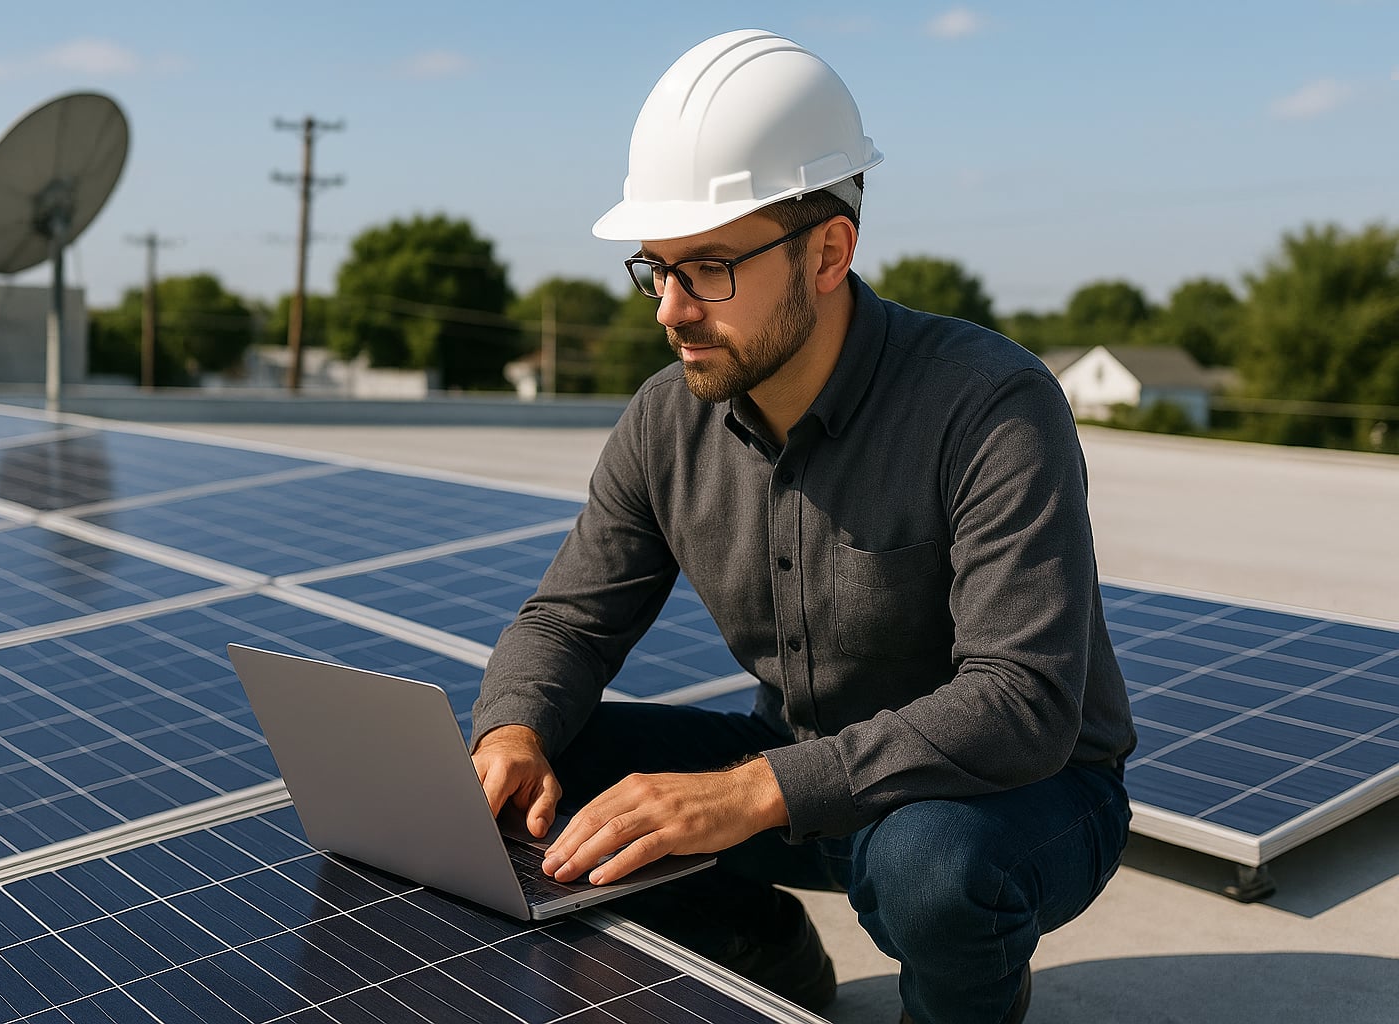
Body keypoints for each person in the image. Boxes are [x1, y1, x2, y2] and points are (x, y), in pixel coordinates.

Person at [471, 28, 1136, 1024]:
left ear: (828, 251)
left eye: (709, 269)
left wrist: (748, 794)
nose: (671, 310)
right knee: (539, 778)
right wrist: (510, 726)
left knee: (932, 867)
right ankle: (765, 954)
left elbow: (1022, 701)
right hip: (798, 770)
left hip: (1018, 794)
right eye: (656, 267)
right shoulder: (668, 418)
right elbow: (569, 620)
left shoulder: (991, 403)